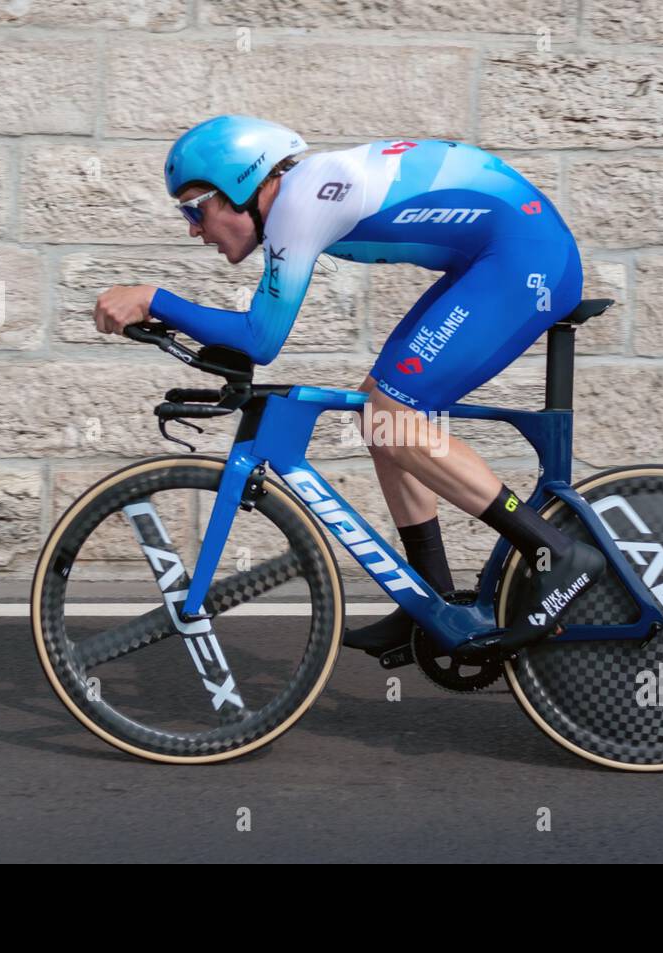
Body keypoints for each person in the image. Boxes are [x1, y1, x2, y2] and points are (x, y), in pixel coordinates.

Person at [94, 115, 605, 661]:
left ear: (240, 185)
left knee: (390, 413)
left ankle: (556, 552)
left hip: (526, 258)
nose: (194, 229)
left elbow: (261, 339)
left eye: (196, 209)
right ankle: (431, 604)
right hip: (498, 254)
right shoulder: (304, 193)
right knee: (378, 406)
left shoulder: (297, 204)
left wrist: (155, 299)